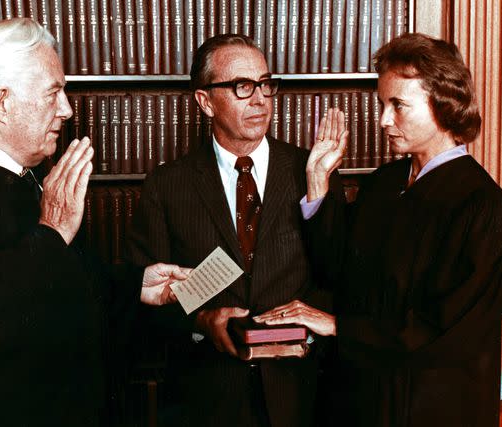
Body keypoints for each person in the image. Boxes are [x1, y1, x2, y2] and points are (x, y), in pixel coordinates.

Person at [0, 18, 189, 427]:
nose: (66, 109)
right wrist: (50, 234)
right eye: (53, 93)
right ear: (3, 103)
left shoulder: (23, 177)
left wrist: (136, 286)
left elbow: (59, 292)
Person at [254, 33, 502, 426]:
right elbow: (336, 271)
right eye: (382, 104)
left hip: (432, 408)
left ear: (442, 104)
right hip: (367, 400)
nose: (383, 120)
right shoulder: (384, 183)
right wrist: (318, 180)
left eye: (398, 105)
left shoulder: (481, 205)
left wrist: (341, 326)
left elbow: (445, 330)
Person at [126, 34, 344, 427]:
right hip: (208, 400)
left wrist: (305, 337)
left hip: (299, 395)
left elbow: (337, 274)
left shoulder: (312, 170)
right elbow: (142, 301)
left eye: (265, 84)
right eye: (242, 87)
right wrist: (199, 323)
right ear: (205, 101)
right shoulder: (166, 185)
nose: (260, 99)